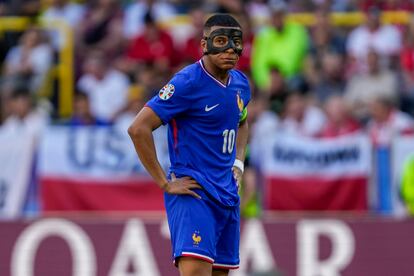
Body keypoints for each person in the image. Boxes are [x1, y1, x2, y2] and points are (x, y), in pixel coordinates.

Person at [128, 14, 250, 276]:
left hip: (227, 196)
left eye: (236, 42)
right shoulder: (187, 83)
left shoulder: (240, 84)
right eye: (221, 41)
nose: (230, 49)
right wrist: (164, 182)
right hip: (194, 192)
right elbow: (138, 128)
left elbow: (242, 122)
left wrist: (239, 163)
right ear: (204, 45)